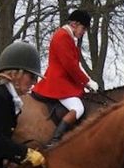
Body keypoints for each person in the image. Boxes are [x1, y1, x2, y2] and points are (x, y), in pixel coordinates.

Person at [34, 9, 98, 146]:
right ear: (74, 24)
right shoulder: (62, 36)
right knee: (78, 108)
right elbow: (70, 65)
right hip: (59, 82)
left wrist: (87, 81)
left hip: (64, 80)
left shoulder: (67, 36)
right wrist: (87, 81)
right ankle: (55, 140)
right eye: (83, 28)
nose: (83, 32)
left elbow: (75, 64)